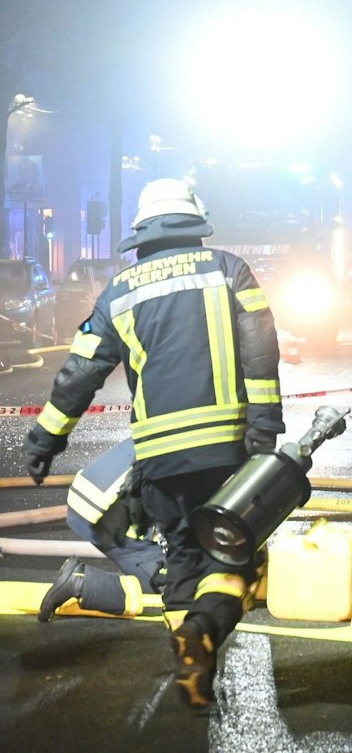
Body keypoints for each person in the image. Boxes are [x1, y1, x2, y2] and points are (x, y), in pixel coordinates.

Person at [22, 178, 284, 710]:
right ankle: (203, 632)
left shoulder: (120, 291)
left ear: (143, 231)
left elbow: (81, 372)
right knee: (241, 562)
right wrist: (264, 424)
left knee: (185, 562)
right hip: (230, 453)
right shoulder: (228, 270)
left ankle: (191, 658)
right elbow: (262, 348)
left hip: (161, 458)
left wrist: (44, 439)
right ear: (195, 222)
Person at [37, 438, 168, 621]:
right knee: (180, 594)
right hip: (109, 512)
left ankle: (82, 579)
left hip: (90, 494)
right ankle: (81, 583)